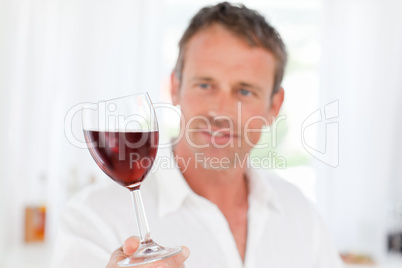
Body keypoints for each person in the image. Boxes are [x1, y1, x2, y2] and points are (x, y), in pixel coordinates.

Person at [52, 2, 343, 268]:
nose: (221, 111)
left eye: (244, 91)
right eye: (205, 85)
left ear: (273, 107)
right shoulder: (92, 219)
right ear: (175, 88)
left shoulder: (302, 216)